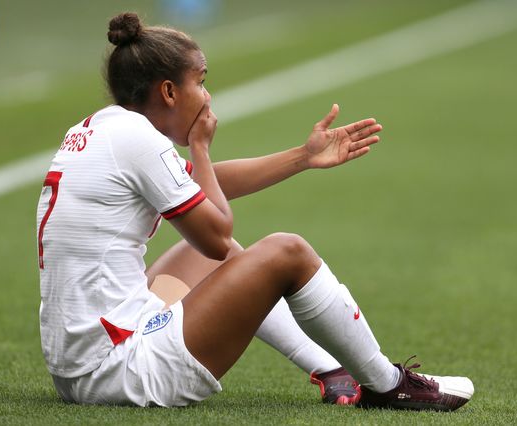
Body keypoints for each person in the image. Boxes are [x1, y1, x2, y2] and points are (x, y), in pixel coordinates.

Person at [36, 12, 474, 410]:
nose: (206, 97)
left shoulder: (100, 128)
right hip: (123, 371)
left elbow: (201, 191)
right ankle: (387, 383)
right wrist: (203, 148)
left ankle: (329, 367)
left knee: (211, 260)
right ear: (169, 91)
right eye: (201, 82)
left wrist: (304, 156)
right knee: (287, 252)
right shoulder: (139, 140)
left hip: (79, 368)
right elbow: (216, 235)